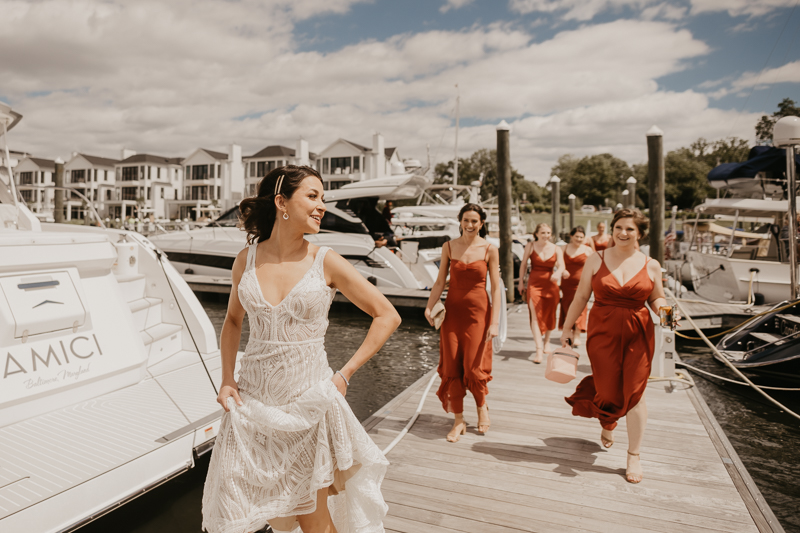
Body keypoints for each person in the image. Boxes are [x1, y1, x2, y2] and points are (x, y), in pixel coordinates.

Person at [202, 165, 400, 533]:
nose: (322, 205)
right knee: (258, 514)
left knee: (314, 521)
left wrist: (345, 374)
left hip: (309, 402)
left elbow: (386, 315)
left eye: (323, 197)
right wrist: (227, 380)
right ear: (282, 203)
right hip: (253, 406)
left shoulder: (325, 260)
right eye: (313, 196)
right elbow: (232, 321)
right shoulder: (246, 259)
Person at [560, 208, 666, 484]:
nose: (623, 233)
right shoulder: (595, 259)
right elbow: (581, 295)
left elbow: (657, 299)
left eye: (630, 229)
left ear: (639, 233)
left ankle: (634, 454)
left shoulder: (651, 264)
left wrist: (666, 310)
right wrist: (568, 327)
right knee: (607, 388)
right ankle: (607, 421)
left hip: (638, 334)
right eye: (618, 227)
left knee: (635, 393)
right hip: (602, 332)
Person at [424, 204, 502, 443]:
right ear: (460, 221)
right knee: (452, 365)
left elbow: (497, 288)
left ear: (482, 223)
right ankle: (458, 420)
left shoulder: (490, 249)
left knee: (473, 366)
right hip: (453, 314)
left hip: (479, 314)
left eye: (475, 221)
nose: (470, 225)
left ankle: (481, 406)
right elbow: (440, 282)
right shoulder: (448, 246)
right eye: (466, 220)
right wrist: (429, 306)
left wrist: (495, 322)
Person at [518, 223, 564, 363]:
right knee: (535, 316)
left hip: (551, 285)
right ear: (536, 233)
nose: (546, 236)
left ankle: (547, 342)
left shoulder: (556, 249)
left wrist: (559, 273)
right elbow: (524, 264)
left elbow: (562, 266)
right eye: (543, 233)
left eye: (548, 233)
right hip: (534, 284)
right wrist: (521, 282)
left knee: (550, 314)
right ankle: (539, 350)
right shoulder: (530, 246)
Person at [559, 226, 593, 347]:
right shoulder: (564, 248)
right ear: (571, 236)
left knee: (582, 307)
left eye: (581, 237)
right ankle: (570, 331)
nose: (579, 239)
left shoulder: (588, 250)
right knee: (567, 306)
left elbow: (594, 266)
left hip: (582, 283)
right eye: (577, 236)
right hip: (567, 283)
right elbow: (557, 263)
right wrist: (561, 270)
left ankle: (578, 333)